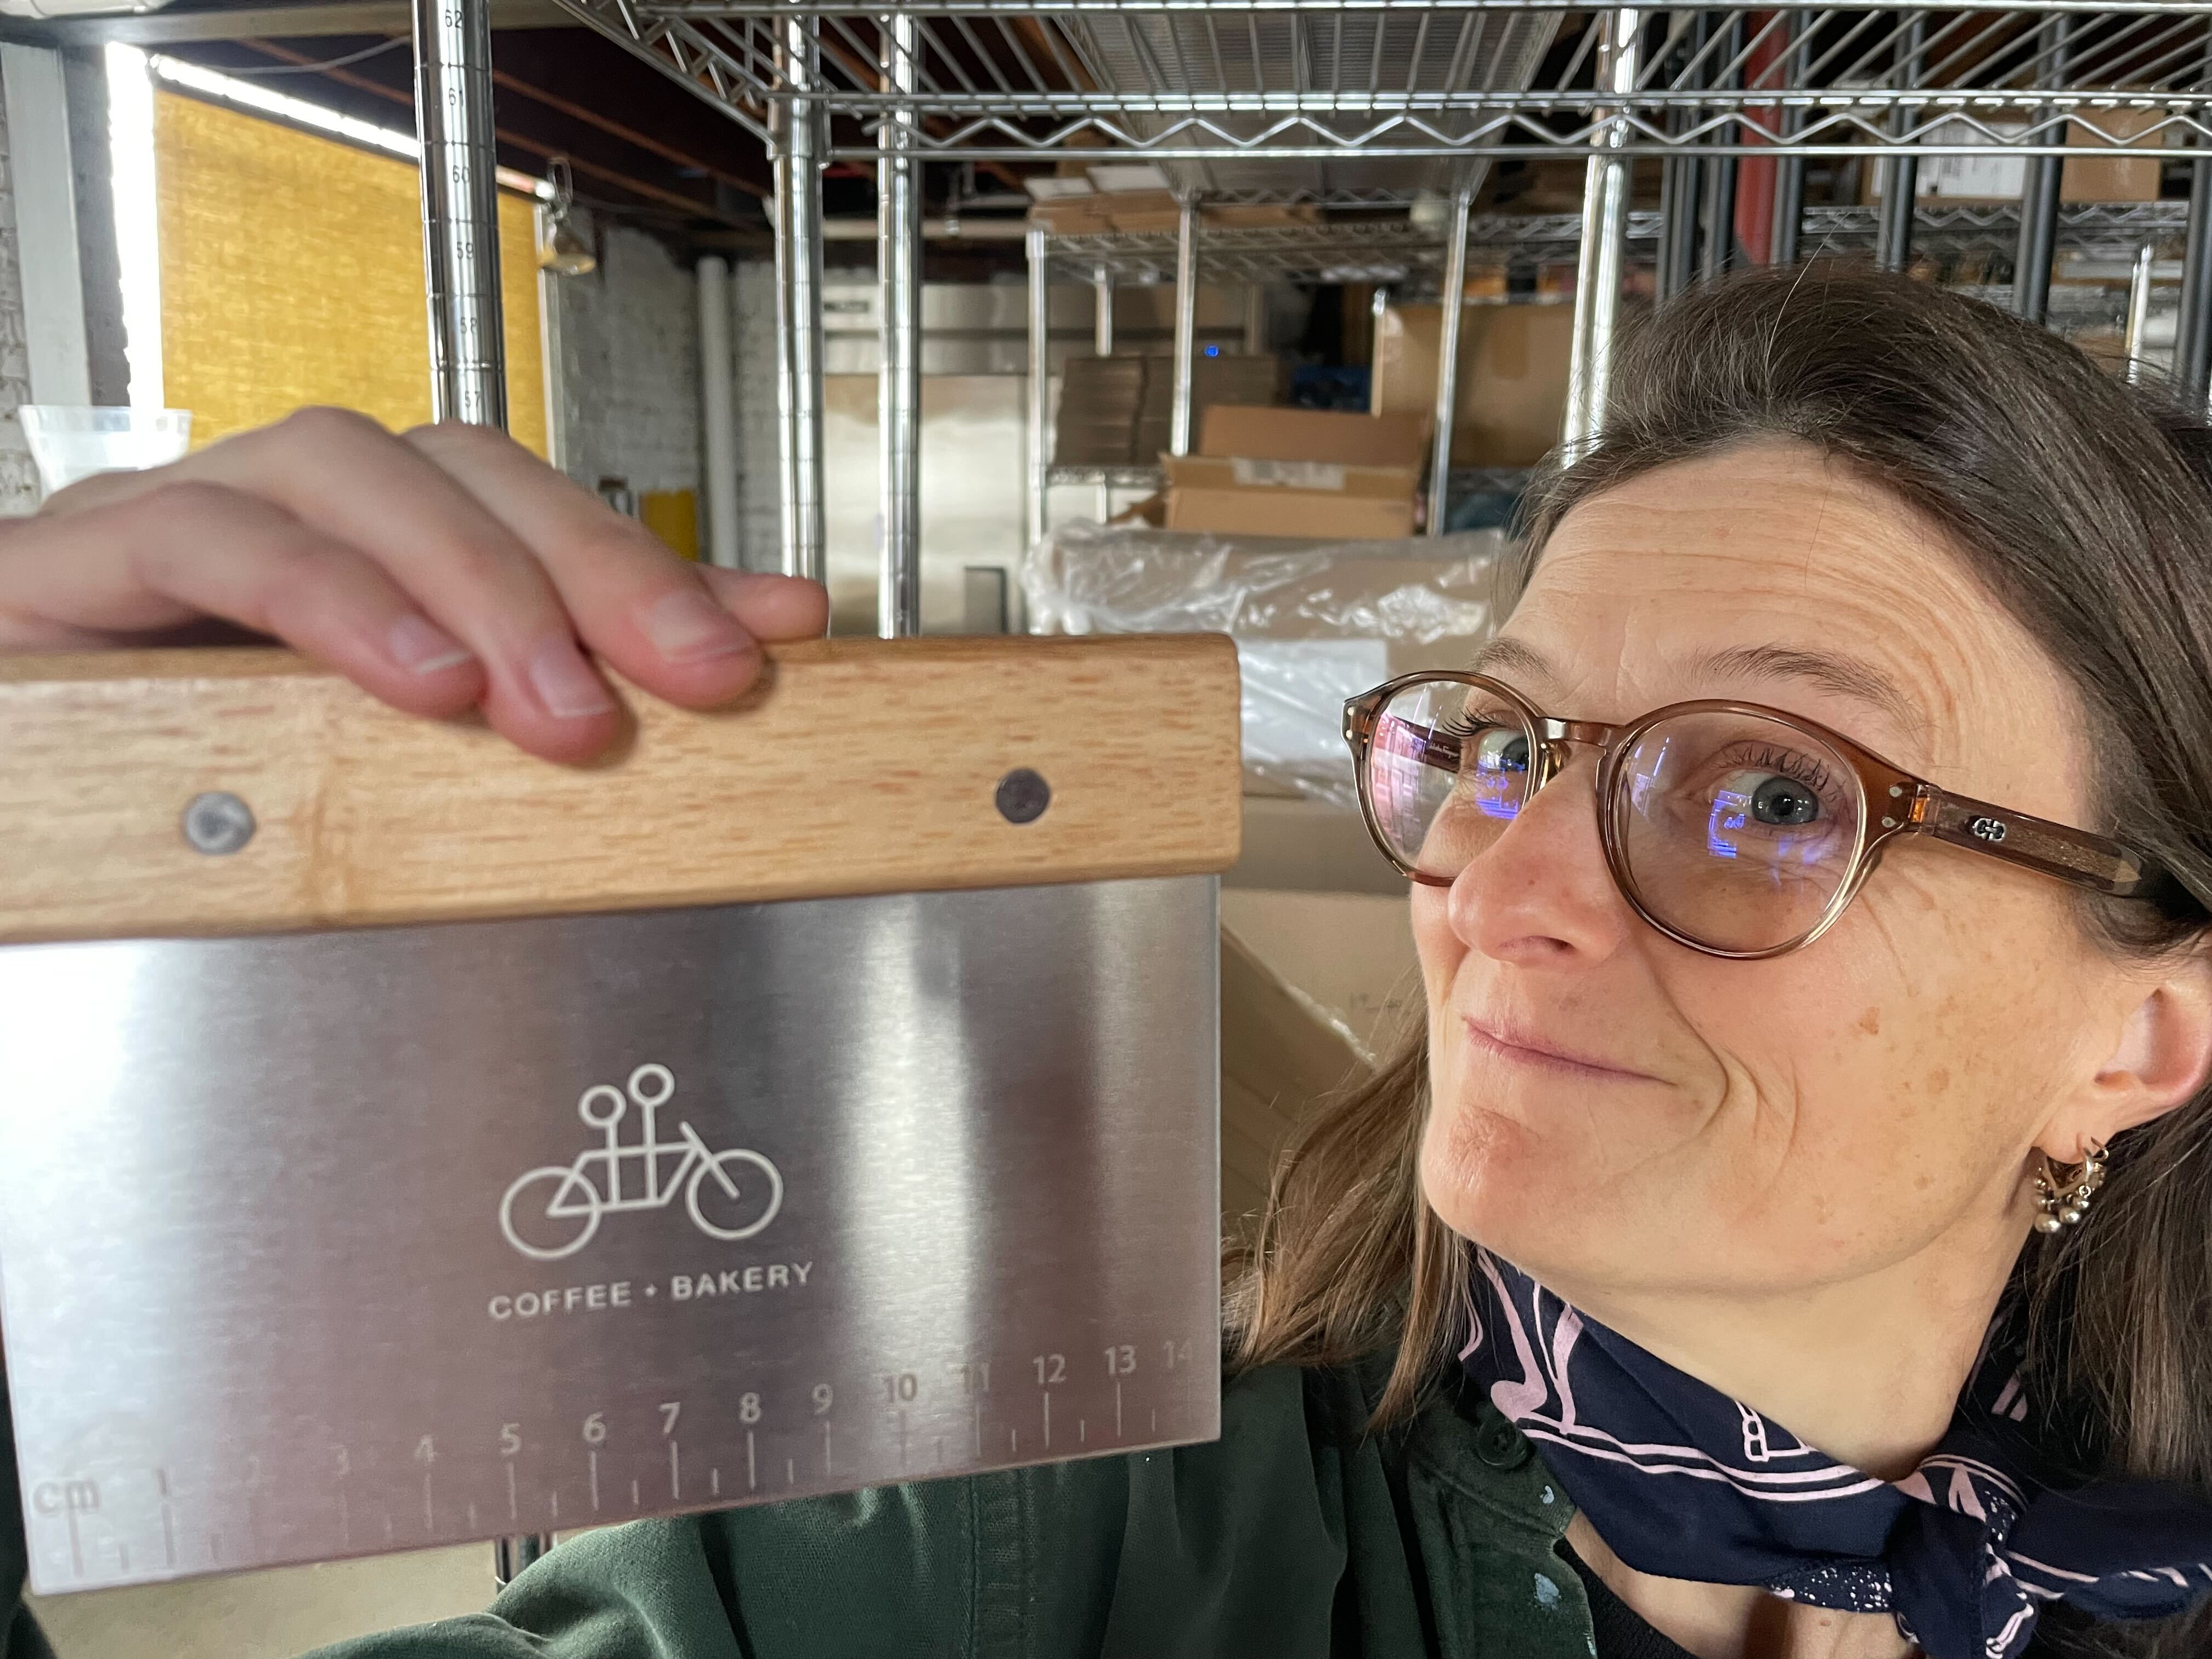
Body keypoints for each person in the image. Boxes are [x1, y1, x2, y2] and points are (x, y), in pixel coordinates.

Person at [7, 262, 2212, 1659]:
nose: (1498, 885)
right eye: (1502, 745)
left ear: (2140, 1030)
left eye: (1768, 798)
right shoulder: (1011, 1544)